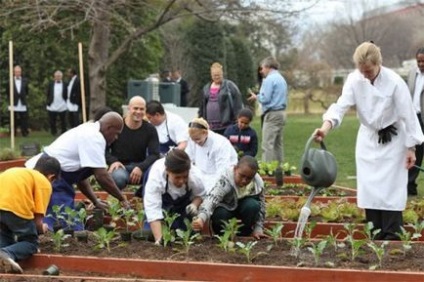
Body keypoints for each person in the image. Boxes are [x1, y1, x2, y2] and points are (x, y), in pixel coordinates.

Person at [312, 42, 424, 240]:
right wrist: (325, 128)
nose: (365, 75)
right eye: (361, 71)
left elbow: (408, 116)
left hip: (394, 139)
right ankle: (375, 233)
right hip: (368, 138)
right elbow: (340, 106)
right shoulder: (355, 79)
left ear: (378, 64)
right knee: (369, 187)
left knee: (391, 187)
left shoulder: (395, 82)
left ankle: (392, 234)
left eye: (369, 71)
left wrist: (411, 148)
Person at [25, 111, 130, 230]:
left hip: (54, 177)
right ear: (109, 127)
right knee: (67, 226)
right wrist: (122, 199)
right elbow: (102, 176)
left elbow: (81, 178)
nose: (116, 138)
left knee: (64, 224)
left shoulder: (89, 130)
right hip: (50, 177)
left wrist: (95, 201)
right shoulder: (94, 137)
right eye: (116, 134)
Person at [0, 156, 61, 274]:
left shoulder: (20, 172)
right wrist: (42, 228)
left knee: (5, 234)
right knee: (31, 242)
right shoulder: (44, 182)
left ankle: (4, 256)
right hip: (15, 208)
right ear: (51, 176)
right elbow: (38, 222)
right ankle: (7, 253)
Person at [192, 156, 266, 239]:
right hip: (225, 208)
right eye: (242, 176)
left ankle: (244, 234)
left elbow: (261, 206)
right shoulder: (225, 180)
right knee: (220, 214)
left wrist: (258, 228)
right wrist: (201, 218)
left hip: (244, 208)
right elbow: (212, 199)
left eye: (249, 178)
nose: (244, 180)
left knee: (253, 205)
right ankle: (222, 237)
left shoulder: (257, 184)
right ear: (235, 169)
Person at [144, 149, 206, 244]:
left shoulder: (195, 176)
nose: (181, 181)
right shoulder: (156, 176)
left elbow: (200, 195)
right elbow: (153, 209)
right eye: (177, 177)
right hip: (162, 204)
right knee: (150, 234)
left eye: (185, 177)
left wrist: (194, 204)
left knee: (185, 235)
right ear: (168, 171)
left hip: (182, 205)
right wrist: (160, 241)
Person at [106, 96, 160, 195]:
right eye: (135, 108)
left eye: (141, 109)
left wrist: (141, 167)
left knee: (156, 178)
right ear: (129, 109)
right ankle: (118, 202)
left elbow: (155, 154)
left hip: (141, 167)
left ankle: (142, 200)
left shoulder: (150, 129)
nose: (138, 112)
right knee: (119, 178)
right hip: (121, 166)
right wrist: (113, 161)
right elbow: (103, 150)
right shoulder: (117, 126)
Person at [248, 57, 288, 164]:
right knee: (278, 143)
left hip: (272, 113)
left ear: (268, 67)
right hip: (282, 113)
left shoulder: (269, 80)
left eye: (262, 68)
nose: (261, 71)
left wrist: (257, 97)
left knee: (267, 144)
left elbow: (265, 98)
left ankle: (267, 168)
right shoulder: (281, 78)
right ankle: (280, 167)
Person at [185, 117, 238, 192]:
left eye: (198, 139)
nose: (195, 143)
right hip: (201, 174)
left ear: (205, 133)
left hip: (219, 176)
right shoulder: (192, 139)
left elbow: (222, 171)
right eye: (193, 140)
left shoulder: (220, 143)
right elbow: (188, 158)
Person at [199, 62, 243, 135]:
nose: (216, 77)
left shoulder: (230, 86)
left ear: (222, 74)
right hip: (210, 127)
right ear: (211, 75)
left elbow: (238, 104)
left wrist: (238, 120)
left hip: (226, 126)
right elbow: (202, 107)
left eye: (218, 75)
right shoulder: (206, 88)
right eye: (214, 75)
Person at [407, 47, 424, 196]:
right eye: (419, 61)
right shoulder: (412, 74)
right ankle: (410, 186)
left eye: (423, 61)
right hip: (414, 118)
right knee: (414, 152)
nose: (421, 64)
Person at [7, 65, 30, 137]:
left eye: (19, 72)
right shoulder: (10, 81)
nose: (17, 73)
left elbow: (26, 91)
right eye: (16, 72)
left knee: (24, 118)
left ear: (21, 72)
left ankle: (24, 133)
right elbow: (7, 91)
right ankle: (13, 133)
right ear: (13, 72)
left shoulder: (25, 80)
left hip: (22, 102)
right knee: (13, 118)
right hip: (13, 102)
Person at [46, 70, 68, 136]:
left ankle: (64, 132)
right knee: (52, 120)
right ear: (54, 77)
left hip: (62, 104)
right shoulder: (51, 84)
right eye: (56, 76)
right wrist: (48, 101)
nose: (58, 77)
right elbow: (48, 93)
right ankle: (53, 132)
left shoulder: (65, 84)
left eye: (59, 76)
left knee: (63, 120)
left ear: (61, 77)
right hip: (52, 104)